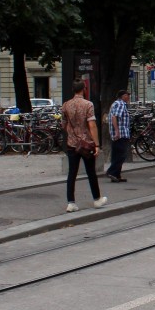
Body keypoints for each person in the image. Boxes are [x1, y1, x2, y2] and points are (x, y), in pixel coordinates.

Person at [61, 80, 106, 213]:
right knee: (91, 172)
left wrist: (72, 133)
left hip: (71, 144)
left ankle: (71, 203)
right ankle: (97, 199)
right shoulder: (88, 104)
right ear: (84, 89)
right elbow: (92, 125)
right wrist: (97, 144)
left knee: (72, 173)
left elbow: (63, 125)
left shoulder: (66, 105)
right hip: (86, 144)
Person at [105, 89, 131, 183]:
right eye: (127, 95)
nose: (128, 97)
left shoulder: (116, 103)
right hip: (120, 134)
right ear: (122, 96)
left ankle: (116, 175)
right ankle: (111, 172)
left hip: (120, 133)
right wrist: (117, 131)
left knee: (116, 154)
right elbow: (114, 117)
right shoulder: (120, 104)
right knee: (121, 154)